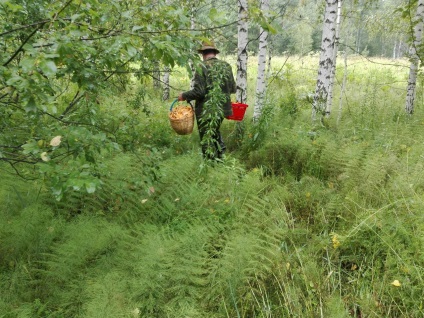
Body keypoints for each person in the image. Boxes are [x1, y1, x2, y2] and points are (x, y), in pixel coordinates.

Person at [178, 41, 236, 161]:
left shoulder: (202, 66)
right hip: (222, 109)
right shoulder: (226, 66)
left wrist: (184, 95)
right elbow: (233, 88)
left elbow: (199, 92)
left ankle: (209, 163)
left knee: (207, 138)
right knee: (214, 131)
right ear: (214, 52)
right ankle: (221, 157)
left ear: (203, 53)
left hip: (206, 111)